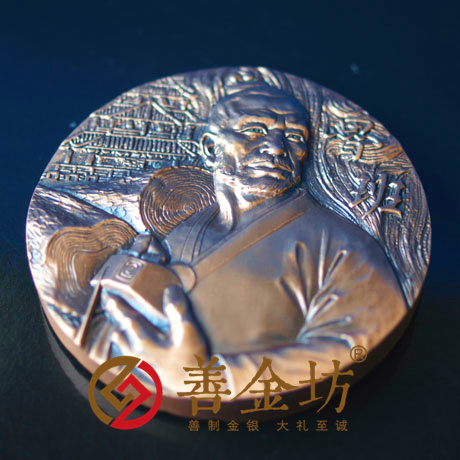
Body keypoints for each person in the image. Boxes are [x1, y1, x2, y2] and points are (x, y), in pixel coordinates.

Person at [79, 83, 407, 393]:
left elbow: (357, 345)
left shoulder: (345, 246)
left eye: (295, 136)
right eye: (254, 130)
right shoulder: (179, 236)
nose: (277, 147)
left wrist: (204, 377)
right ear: (210, 148)